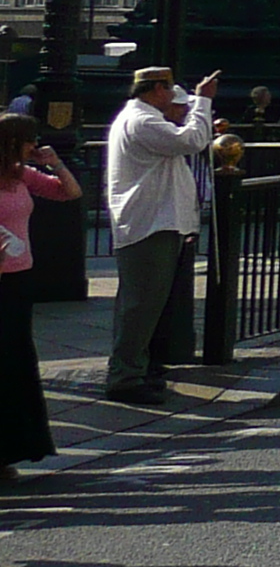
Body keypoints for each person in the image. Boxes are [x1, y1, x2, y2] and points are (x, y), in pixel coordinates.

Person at [105, 67, 219, 405]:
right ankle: (125, 375)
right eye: (169, 89)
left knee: (148, 304)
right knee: (141, 305)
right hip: (149, 225)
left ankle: (140, 367)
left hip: (159, 223)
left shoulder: (145, 119)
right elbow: (193, 141)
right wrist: (203, 101)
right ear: (157, 89)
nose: (173, 97)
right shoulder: (143, 121)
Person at [1, 114, 83, 479]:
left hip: (19, 279)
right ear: (11, 141)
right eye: (29, 140)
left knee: (16, 363)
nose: (34, 145)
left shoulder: (20, 175)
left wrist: (55, 163)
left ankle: (12, 449)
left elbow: (70, 193)